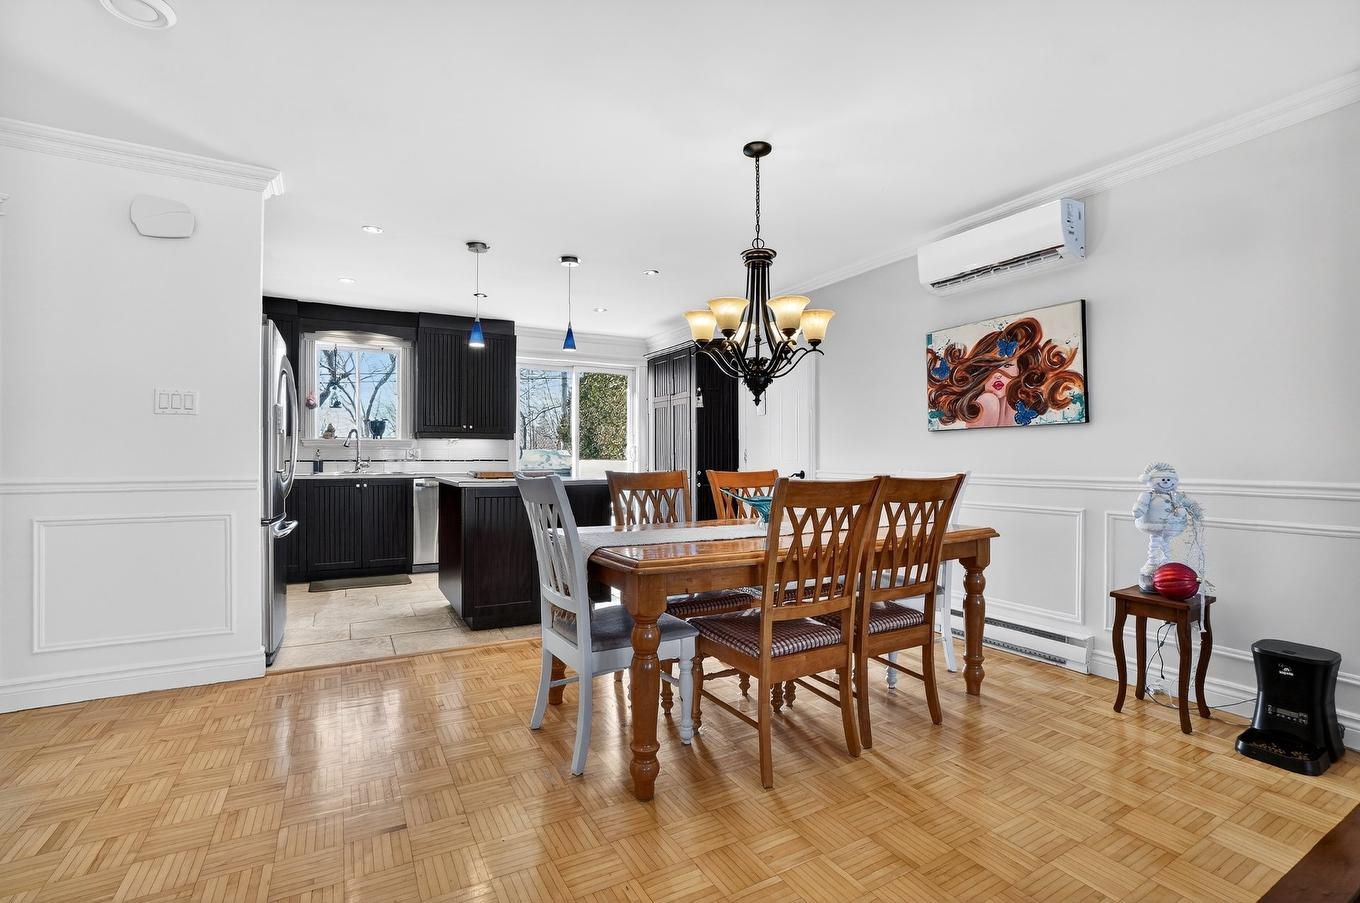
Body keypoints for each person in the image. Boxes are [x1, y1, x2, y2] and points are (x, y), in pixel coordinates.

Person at [927, 317, 1084, 429]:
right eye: (991, 367)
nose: (998, 374)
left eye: (1007, 365)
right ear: (979, 371)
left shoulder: (1013, 406)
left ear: (1019, 371)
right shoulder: (988, 401)